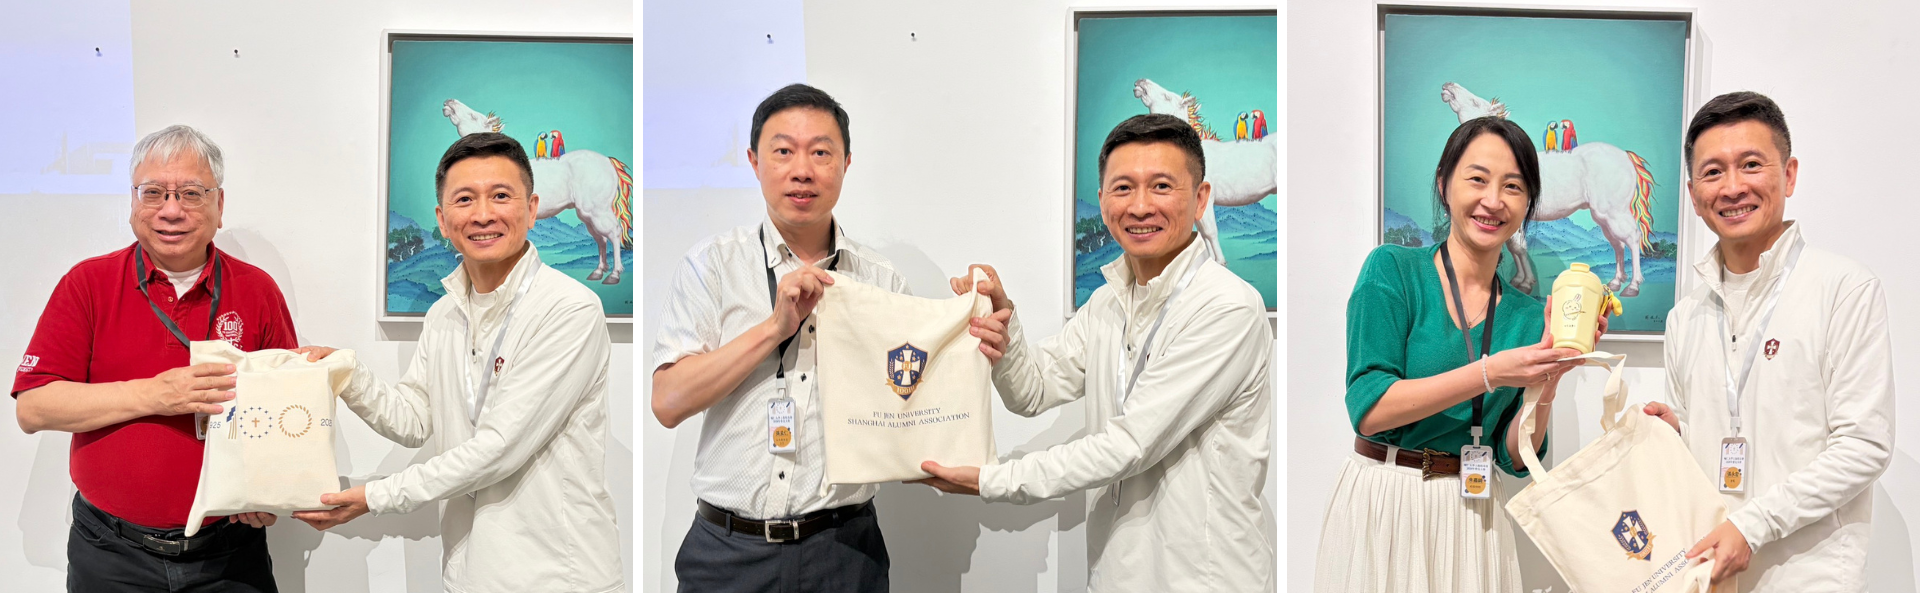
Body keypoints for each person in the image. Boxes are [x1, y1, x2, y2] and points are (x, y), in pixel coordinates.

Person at [911, 114, 1273, 592]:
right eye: (1123, 188)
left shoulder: (1226, 307)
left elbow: (1129, 445)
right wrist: (1003, 324)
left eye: (1161, 186)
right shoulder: (1107, 302)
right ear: (1102, 201)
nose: (1140, 206)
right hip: (1115, 573)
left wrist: (990, 480)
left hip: (1203, 578)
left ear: (1201, 198)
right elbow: (1033, 391)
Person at [289, 133, 622, 593]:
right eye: (465, 199)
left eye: (500, 196)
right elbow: (414, 420)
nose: (483, 214)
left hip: (558, 576)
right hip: (467, 571)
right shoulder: (444, 312)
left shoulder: (568, 309)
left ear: (532, 209)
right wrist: (346, 373)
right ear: (443, 221)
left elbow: (499, 447)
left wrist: (376, 496)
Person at [1312, 116, 1604, 593]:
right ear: (1444, 185)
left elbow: (1514, 456)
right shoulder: (1392, 269)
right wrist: (1490, 373)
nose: (1494, 200)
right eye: (1477, 179)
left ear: (1528, 203)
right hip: (1386, 499)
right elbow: (1369, 408)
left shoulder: (1530, 316)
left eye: (1513, 186)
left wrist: (1550, 379)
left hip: (1474, 513)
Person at [13, 125, 292, 592]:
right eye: (154, 192)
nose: (171, 210)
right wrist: (156, 395)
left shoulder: (257, 290)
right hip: (110, 553)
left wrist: (272, 488)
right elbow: (34, 407)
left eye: (191, 193)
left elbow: (284, 409)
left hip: (229, 553)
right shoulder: (87, 285)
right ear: (132, 202)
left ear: (220, 205)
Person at [651, 83, 907, 592]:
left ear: (846, 163)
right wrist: (773, 329)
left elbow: (910, 402)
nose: (802, 170)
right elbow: (668, 403)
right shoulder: (712, 266)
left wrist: (973, 344)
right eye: (784, 151)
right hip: (727, 554)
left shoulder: (882, 282)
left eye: (821, 153)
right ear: (754, 161)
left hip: (845, 553)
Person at [1641, 91, 1894, 592]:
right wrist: (1678, 432)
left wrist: (1752, 526)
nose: (1733, 187)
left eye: (1751, 165)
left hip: (1810, 577)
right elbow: (1706, 437)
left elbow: (1864, 445)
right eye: (1713, 172)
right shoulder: (1685, 316)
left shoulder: (1843, 288)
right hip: (1710, 576)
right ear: (1693, 194)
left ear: (1789, 175)